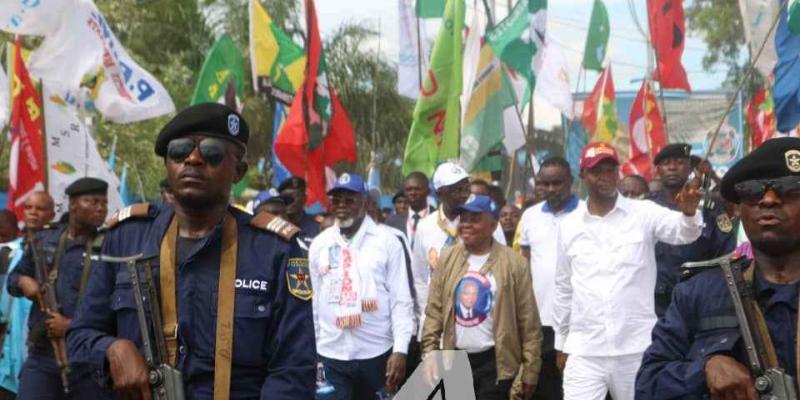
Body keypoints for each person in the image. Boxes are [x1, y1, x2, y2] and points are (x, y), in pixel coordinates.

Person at [66, 103, 316, 398]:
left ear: (238, 171)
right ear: (168, 165)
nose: (193, 159)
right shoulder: (127, 239)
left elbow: (294, 368)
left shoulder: (275, 250)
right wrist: (112, 348)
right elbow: (79, 337)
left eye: (211, 152)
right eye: (179, 151)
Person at [635, 136, 800, 399]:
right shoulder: (698, 293)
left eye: (791, 188)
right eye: (752, 191)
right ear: (740, 208)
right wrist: (704, 370)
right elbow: (648, 384)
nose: (768, 200)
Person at [552, 143, 703, 400]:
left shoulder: (642, 212)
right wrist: (561, 342)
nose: (605, 177)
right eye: (597, 171)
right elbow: (564, 287)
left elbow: (684, 232)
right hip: (585, 350)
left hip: (636, 347)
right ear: (583, 177)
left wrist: (688, 212)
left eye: (611, 170)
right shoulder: (568, 226)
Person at [422, 194, 542, 400]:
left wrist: (530, 369)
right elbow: (434, 311)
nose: (466, 224)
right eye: (464, 218)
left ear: (493, 225)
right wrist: (430, 352)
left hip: (495, 362)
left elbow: (528, 321)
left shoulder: (514, 264)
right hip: (455, 360)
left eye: (475, 219)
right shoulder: (448, 258)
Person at [309, 173, 413, 399]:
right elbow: (315, 302)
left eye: (349, 200)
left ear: (365, 203)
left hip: (376, 354)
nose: (342, 206)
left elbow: (401, 300)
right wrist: (315, 350)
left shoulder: (387, 242)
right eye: (337, 201)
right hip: (330, 354)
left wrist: (400, 350)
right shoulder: (320, 244)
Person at [7, 178, 111, 398]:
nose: (101, 208)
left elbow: (115, 305)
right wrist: (24, 282)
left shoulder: (110, 246)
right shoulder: (44, 240)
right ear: (73, 204)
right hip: (44, 354)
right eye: (92, 202)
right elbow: (14, 278)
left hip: (89, 358)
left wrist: (72, 326)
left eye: (104, 203)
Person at [412, 163, 507, 352]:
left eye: (465, 186)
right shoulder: (425, 227)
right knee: (451, 380)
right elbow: (421, 279)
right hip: (441, 327)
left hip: (480, 323)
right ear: (440, 193)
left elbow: (503, 268)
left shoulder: (486, 222)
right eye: (456, 189)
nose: (464, 193)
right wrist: (429, 318)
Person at [517, 156, 583, 400]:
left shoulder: (587, 213)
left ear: (571, 182)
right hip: (540, 321)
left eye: (558, 183)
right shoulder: (530, 216)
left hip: (579, 320)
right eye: (546, 184)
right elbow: (524, 266)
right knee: (544, 388)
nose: (552, 189)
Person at [646, 143, 737, 318]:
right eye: (666, 163)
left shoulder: (710, 207)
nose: (672, 167)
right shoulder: (645, 207)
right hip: (655, 303)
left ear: (690, 169)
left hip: (700, 298)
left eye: (679, 162)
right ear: (657, 169)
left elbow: (726, 254)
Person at [0, 192, 55, 398]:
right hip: (8, 358)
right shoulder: (14, 252)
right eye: (29, 208)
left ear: (51, 213)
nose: (33, 213)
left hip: (39, 351)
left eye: (39, 209)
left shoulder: (57, 252)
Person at [385, 172, 436, 244]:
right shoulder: (392, 222)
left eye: (417, 189)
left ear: (428, 191)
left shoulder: (438, 218)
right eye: (409, 189)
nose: (413, 193)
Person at [278, 176, 321, 251]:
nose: (290, 201)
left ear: (304, 199)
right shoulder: (273, 227)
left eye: (296, 196)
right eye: (286, 197)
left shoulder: (318, 226)